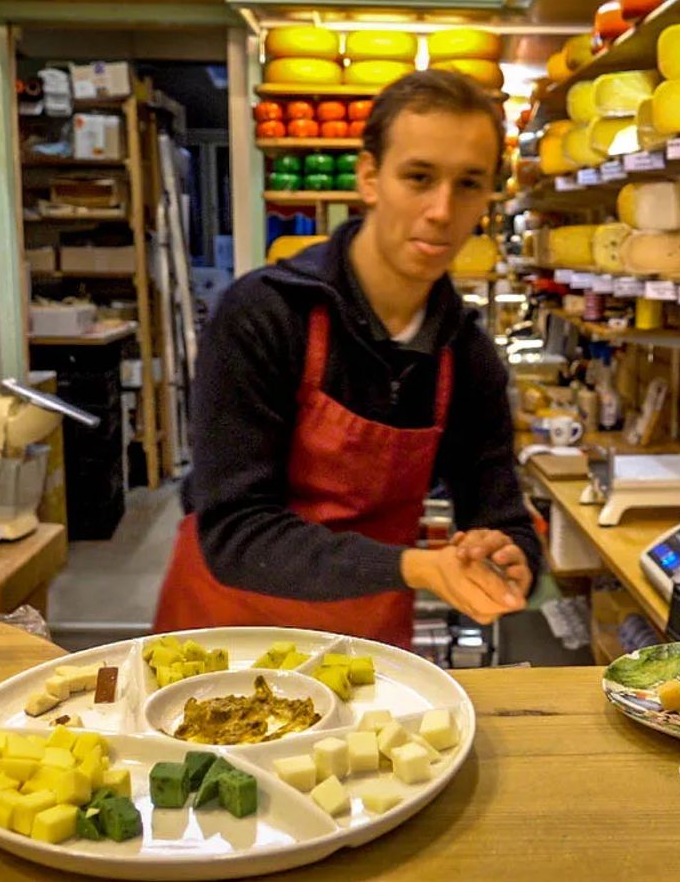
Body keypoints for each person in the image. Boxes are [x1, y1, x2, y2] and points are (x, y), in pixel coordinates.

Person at [154, 70, 540, 650]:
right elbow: (234, 532)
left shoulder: (466, 352)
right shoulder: (264, 314)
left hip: (364, 648)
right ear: (368, 177)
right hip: (225, 636)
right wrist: (418, 567)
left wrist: (509, 556)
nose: (442, 210)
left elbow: (500, 509)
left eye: (468, 184)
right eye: (419, 178)